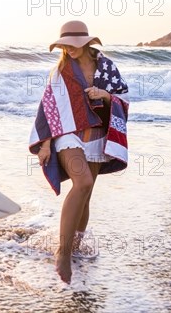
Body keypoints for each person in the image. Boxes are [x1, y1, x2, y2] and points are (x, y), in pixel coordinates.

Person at [28, 20, 129, 284]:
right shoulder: (60, 70)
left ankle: (75, 247)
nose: (69, 49)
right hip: (67, 135)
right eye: (65, 45)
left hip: (96, 135)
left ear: (86, 43)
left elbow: (123, 98)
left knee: (86, 194)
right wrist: (46, 143)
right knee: (82, 182)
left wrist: (105, 96)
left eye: (74, 45)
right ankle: (62, 252)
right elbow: (48, 108)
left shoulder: (106, 67)